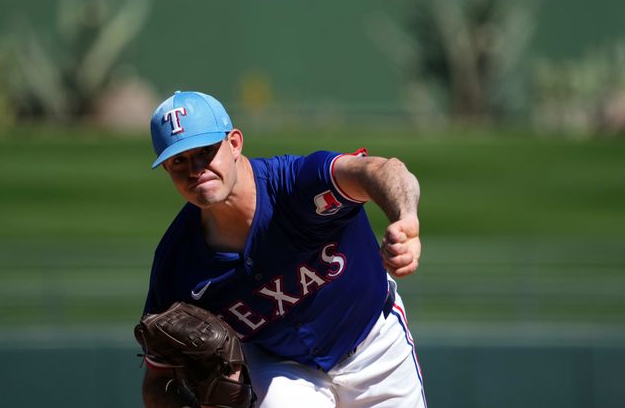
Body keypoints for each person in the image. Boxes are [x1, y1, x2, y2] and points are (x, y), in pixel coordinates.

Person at [140, 90, 426, 408]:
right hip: (283, 370)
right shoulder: (176, 263)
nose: (195, 169)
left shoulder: (297, 186)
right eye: (179, 160)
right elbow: (157, 382)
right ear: (166, 168)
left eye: (205, 151)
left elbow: (382, 171)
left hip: (375, 343)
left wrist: (406, 217)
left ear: (234, 143)